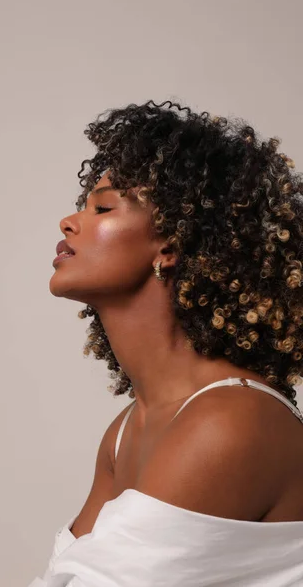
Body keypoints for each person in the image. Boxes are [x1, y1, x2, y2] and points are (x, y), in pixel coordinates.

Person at [30, 100, 303, 586]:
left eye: (104, 207)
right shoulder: (126, 430)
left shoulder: (230, 421)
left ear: (172, 245)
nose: (69, 222)